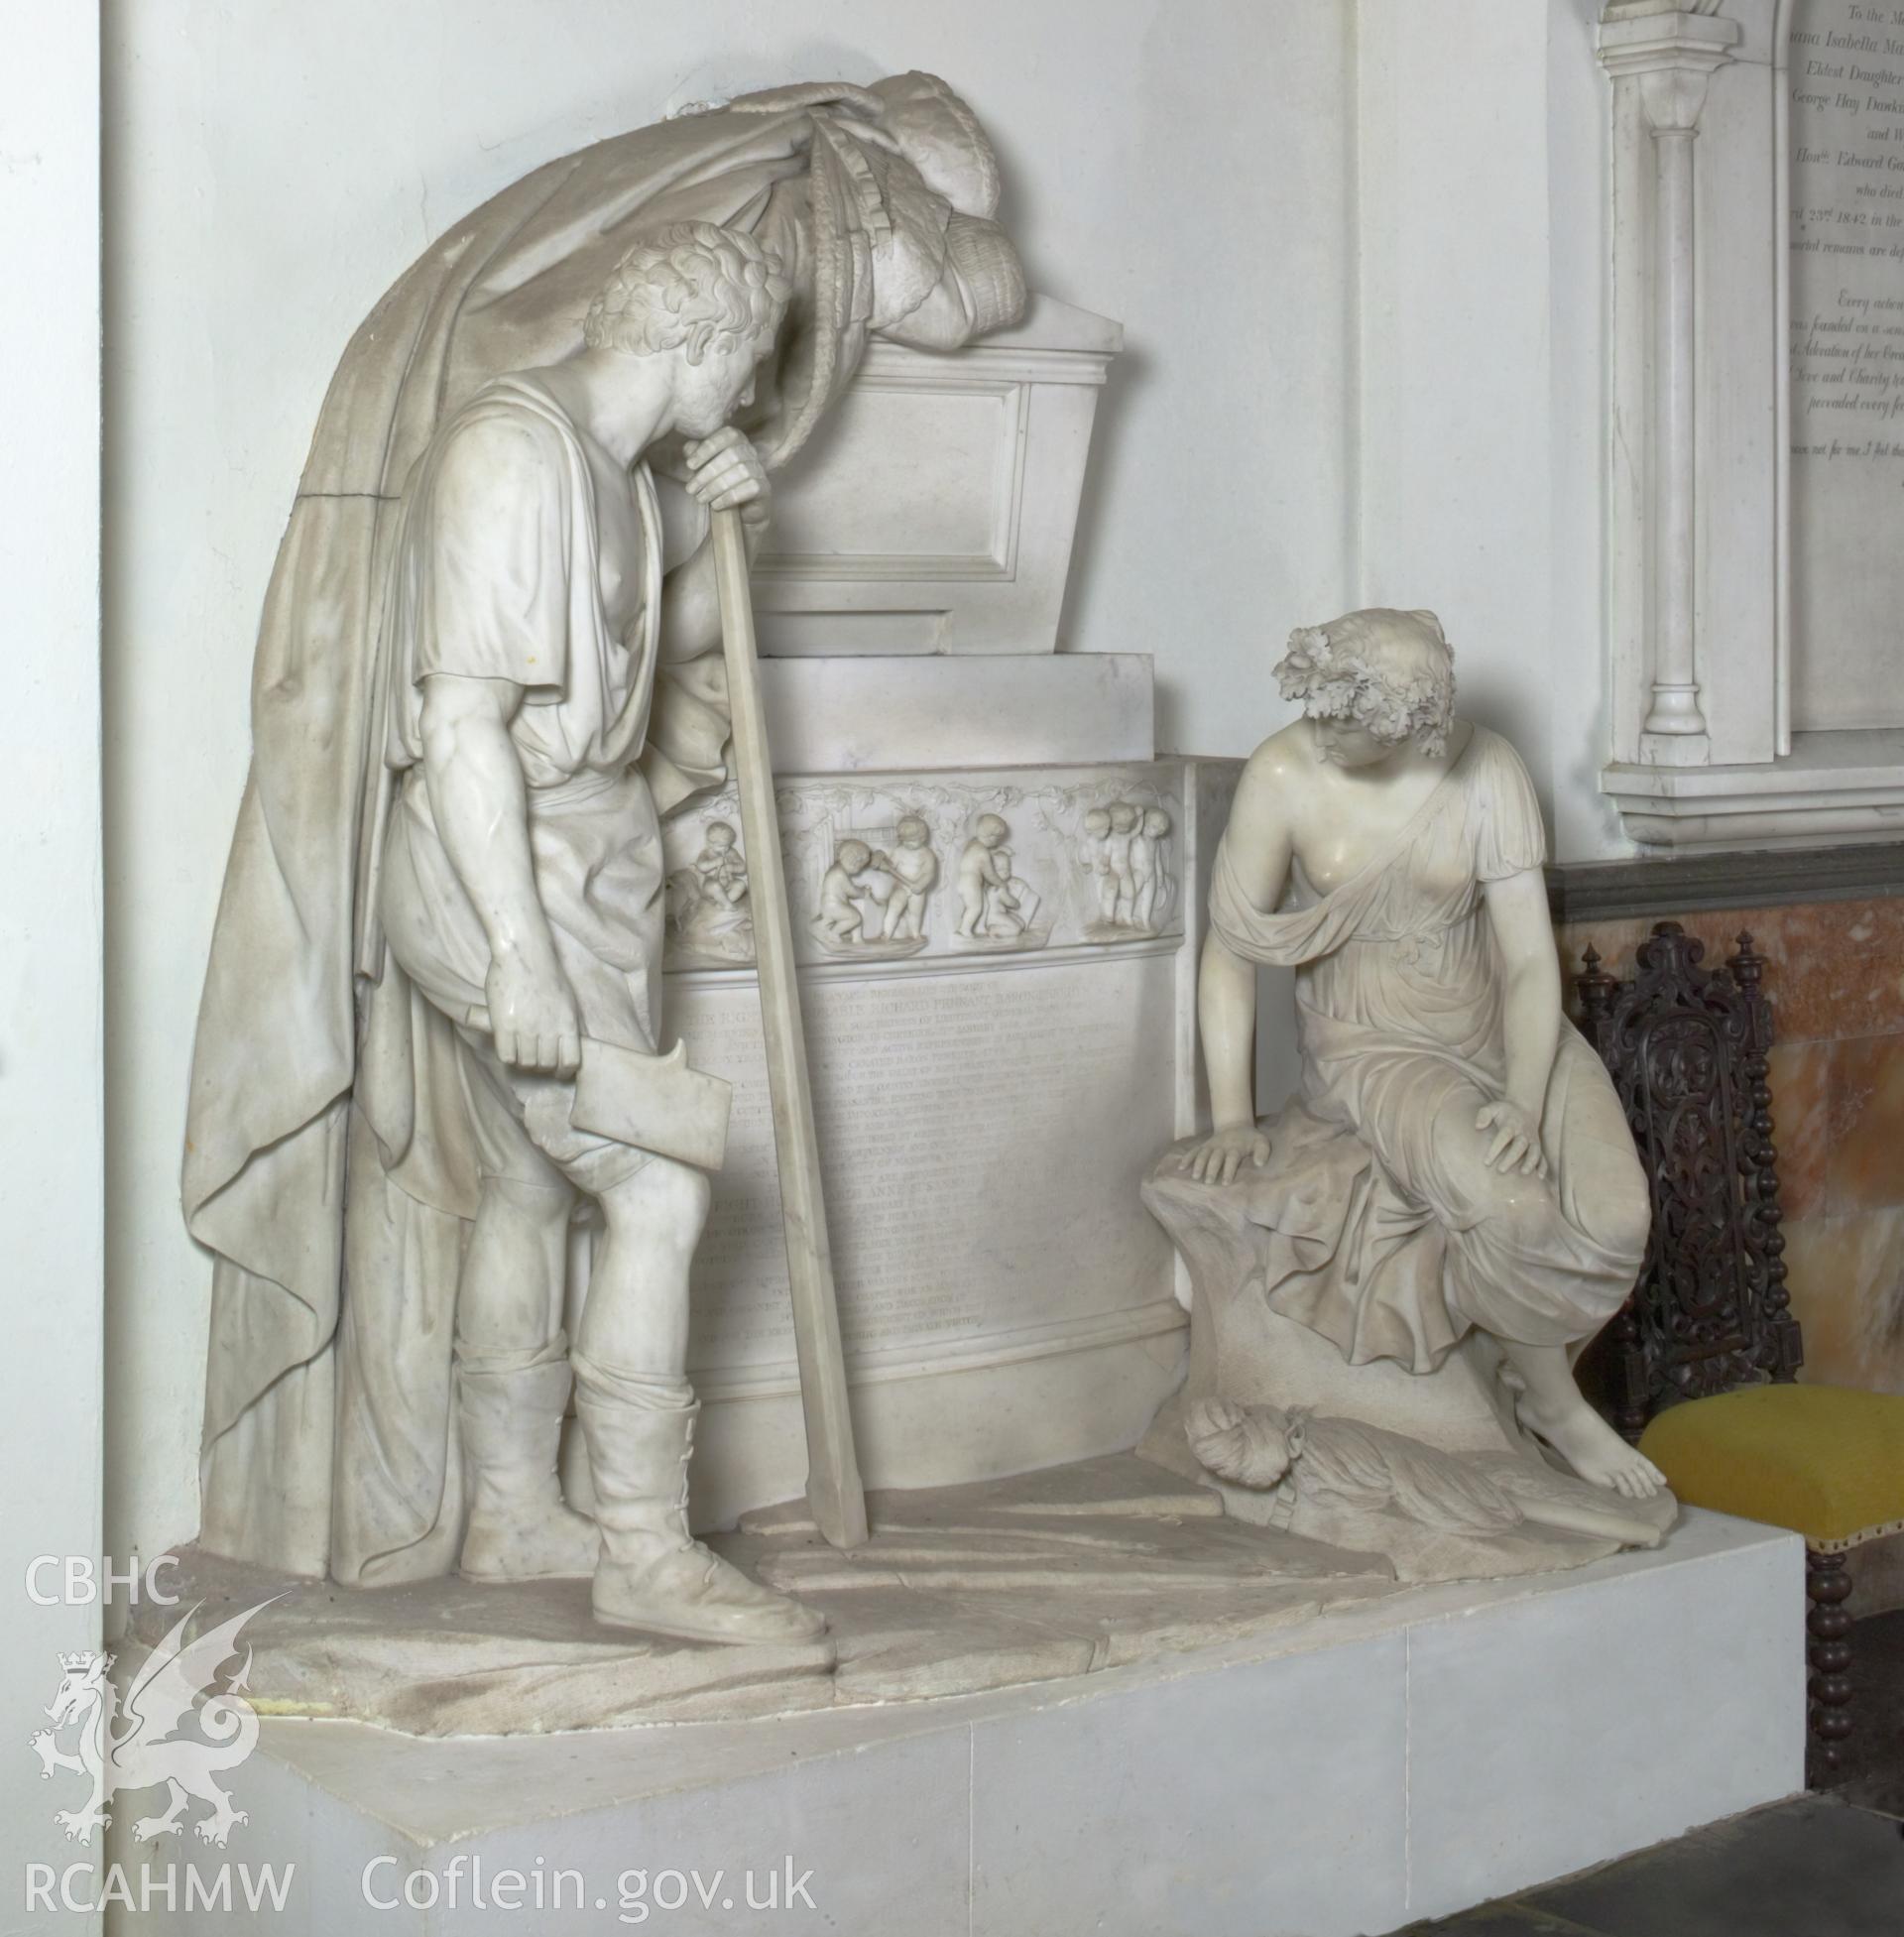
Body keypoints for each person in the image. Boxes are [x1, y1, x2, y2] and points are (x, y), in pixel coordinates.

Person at [369, 221, 825, 1640]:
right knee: (659, 1183)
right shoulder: (509, 457)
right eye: (748, 369)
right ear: (695, 340)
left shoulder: (617, 475)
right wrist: (516, 950)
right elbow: (462, 724)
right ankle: (641, 1549)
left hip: (590, 858)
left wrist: (737, 512)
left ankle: (513, 1513)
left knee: (531, 1182)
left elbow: (634, 642)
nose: (748, 396)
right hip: (499, 864)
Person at [1177, 609, 1662, 1500]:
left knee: (1619, 1216)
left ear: (1410, 724)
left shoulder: (1488, 772)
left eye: (1346, 719)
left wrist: (1522, 1097)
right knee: (1509, 1207)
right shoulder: (1284, 772)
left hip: (1501, 1027)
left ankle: (1520, 1353)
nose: (1321, 729)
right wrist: (1234, 1117)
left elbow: (1525, 960)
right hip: (1375, 1046)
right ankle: (1557, 1407)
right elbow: (1230, 950)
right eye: (1316, 708)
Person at [885, 814, 939, 940]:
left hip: (918, 890)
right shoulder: (899, 851)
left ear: (923, 838)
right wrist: (886, 865)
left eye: (912, 840)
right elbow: (891, 867)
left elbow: (929, 873)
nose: (908, 844)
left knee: (915, 913)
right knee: (894, 908)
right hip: (901, 887)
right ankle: (886, 933)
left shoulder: (927, 854)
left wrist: (921, 884)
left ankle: (915, 933)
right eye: (905, 840)